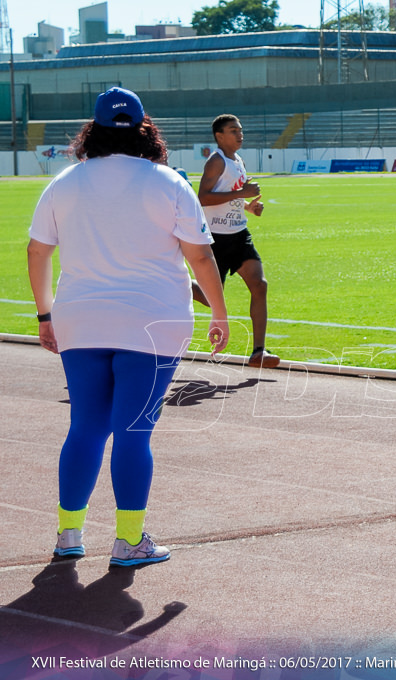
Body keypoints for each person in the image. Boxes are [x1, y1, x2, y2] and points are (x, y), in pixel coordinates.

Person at [27, 87, 229, 567]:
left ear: (91, 130)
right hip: (152, 320)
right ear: (146, 129)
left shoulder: (65, 182)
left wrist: (44, 313)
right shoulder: (168, 181)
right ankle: (128, 541)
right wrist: (219, 312)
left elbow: (38, 252)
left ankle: (68, 535)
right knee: (134, 433)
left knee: (86, 428)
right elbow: (199, 254)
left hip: (80, 317)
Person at [198, 114, 279, 369]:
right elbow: (203, 198)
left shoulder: (238, 160)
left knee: (259, 284)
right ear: (219, 136)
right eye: (233, 130)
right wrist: (243, 193)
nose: (240, 134)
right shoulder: (216, 161)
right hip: (216, 239)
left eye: (240, 130)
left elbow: (230, 196)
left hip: (239, 234)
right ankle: (182, 284)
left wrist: (248, 207)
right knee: (208, 296)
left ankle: (258, 352)